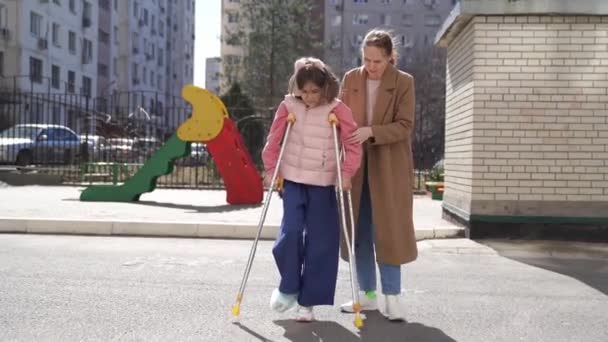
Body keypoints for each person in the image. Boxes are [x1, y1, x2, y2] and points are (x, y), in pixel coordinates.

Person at [261, 57, 362, 322]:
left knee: (321, 241)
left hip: (324, 183)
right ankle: (289, 288)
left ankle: (308, 303)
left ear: (325, 87)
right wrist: (271, 169)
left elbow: (352, 144)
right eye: (304, 91)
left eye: (314, 91)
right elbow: (274, 139)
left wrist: (347, 172)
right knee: (290, 234)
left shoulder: (338, 109)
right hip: (293, 180)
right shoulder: (288, 105)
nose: (308, 97)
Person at [338, 29, 417, 321]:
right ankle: (368, 296)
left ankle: (393, 298)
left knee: (389, 233)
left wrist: (370, 132)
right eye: (366, 59)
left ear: (389, 58)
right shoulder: (351, 79)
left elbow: (405, 126)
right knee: (359, 233)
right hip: (357, 169)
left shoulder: (404, 82)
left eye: (377, 61)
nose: (370, 66)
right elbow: (341, 117)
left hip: (389, 167)